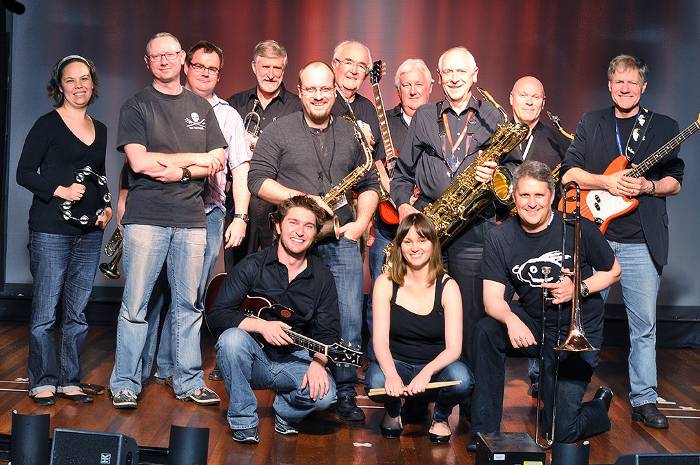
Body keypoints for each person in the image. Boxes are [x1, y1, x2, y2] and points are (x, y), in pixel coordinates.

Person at [248, 61, 380, 422]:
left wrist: (361, 223)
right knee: (291, 314)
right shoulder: (278, 130)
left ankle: (345, 391)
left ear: (334, 91)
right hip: (295, 237)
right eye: (311, 89)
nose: (318, 95)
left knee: (349, 315)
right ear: (300, 91)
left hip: (340, 236)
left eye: (325, 89)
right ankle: (295, 381)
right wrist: (303, 200)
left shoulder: (351, 131)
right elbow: (257, 180)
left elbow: (369, 183)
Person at [561, 54, 684, 429]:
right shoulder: (592, 122)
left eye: (632, 82)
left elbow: (674, 182)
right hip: (595, 240)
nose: (625, 88)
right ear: (609, 85)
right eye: (619, 81)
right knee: (583, 320)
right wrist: (607, 182)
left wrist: (648, 185)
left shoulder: (664, 127)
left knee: (643, 327)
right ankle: (568, 395)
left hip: (641, 243)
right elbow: (569, 172)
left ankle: (644, 400)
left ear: (643, 87)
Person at [108, 32, 226, 409]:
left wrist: (178, 169)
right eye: (156, 56)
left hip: (191, 220)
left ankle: (188, 380)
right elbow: (139, 162)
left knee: (188, 306)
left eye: (170, 54)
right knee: (135, 305)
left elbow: (217, 160)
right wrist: (193, 161)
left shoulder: (200, 107)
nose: (164, 61)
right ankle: (125, 383)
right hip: (146, 219)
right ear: (148, 62)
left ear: (182, 58)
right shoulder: (136, 106)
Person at [469, 160, 621, 450]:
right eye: (524, 195)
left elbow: (613, 271)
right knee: (486, 330)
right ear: (513, 196)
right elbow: (492, 299)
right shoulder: (500, 236)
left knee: (561, 431)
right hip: (534, 321)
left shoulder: (578, 227)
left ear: (551, 197)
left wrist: (578, 288)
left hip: (575, 329)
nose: (531, 203)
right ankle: (484, 433)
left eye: (539, 195)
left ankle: (599, 409)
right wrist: (511, 320)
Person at [391, 47, 511, 366]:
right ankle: (424, 383)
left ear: (474, 75)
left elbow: (513, 172)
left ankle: (467, 387)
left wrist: (497, 175)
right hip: (430, 224)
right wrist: (403, 207)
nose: (455, 78)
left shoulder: (493, 116)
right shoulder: (424, 116)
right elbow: (402, 174)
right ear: (440, 76)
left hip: (474, 227)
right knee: (423, 308)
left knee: (472, 313)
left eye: (461, 72)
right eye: (448, 72)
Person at [150, 40, 252, 385]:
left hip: (207, 214)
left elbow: (241, 170)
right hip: (161, 212)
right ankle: (143, 369)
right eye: (199, 66)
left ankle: (170, 367)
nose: (205, 73)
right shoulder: (164, 105)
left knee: (190, 295)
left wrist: (241, 217)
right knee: (154, 293)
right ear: (186, 66)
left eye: (213, 69)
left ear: (219, 74)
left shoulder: (228, 116)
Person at [16, 54, 112, 405]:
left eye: (84, 78)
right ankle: (42, 380)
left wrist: (106, 207)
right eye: (70, 80)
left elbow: (98, 176)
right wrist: (60, 190)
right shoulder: (47, 124)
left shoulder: (100, 129)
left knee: (77, 311)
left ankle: (69, 379)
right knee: (45, 311)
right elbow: (24, 173)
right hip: (50, 230)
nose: (78, 85)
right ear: (60, 86)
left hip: (89, 233)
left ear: (92, 83)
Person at [207, 195, 340, 444]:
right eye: (293, 223)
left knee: (326, 397)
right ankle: (244, 420)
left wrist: (318, 363)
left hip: (295, 359)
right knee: (231, 340)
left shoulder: (322, 276)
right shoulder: (252, 265)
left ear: (315, 234)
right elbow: (217, 314)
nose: (300, 232)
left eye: (308, 226)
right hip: (252, 359)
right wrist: (261, 326)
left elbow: (328, 332)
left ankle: (284, 410)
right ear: (278, 226)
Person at [367, 213, 472, 443]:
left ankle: (440, 417)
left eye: (422, 240)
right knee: (375, 382)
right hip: (397, 363)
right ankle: (393, 409)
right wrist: (392, 375)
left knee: (462, 380)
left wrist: (426, 372)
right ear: (399, 246)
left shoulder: (448, 286)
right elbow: (379, 341)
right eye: (408, 241)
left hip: (434, 369)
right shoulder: (385, 283)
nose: (415, 247)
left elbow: (454, 349)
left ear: (433, 244)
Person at [506, 75, 571, 395]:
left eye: (536, 97)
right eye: (524, 95)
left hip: (539, 233)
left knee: (539, 301)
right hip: (501, 229)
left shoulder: (557, 140)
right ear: (511, 98)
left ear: (543, 104)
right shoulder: (497, 134)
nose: (530, 101)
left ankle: (539, 374)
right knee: (497, 301)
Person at [227, 40, 302, 269]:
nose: (271, 74)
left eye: (276, 68)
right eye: (265, 67)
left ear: (284, 69)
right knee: (238, 272)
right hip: (241, 202)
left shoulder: (297, 107)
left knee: (280, 271)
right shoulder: (235, 104)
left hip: (280, 203)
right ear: (254, 67)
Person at [369, 58, 434, 284]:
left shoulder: (440, 122)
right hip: (388, 224)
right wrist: (397, 196)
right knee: (381, 287)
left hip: (428, 221)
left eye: (419, 84)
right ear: (398, 90)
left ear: (430, 87)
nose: (413, 91)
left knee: (424, 288)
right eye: (406, 85)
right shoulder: (382, 121)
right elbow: (373, 162)